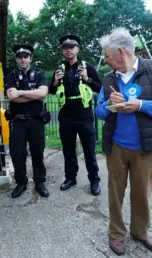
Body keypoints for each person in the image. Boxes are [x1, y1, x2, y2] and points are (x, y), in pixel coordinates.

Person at [95, 28, 152, 255]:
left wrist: (142, 105)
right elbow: (99, 111)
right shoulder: (108, 78)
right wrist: (108, 105)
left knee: (142, 194)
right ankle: (116, 234)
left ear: (121, 52)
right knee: (115, 194)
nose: (105, 60)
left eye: (107, 55)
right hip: (116, 147)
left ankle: (140, 232)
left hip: (145, 149)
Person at [48, 34, 102, 196]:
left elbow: (100, 88)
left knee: (89, 151)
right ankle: (71, 178)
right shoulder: (59, 69)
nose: (68, 50)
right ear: (62, 51)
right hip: (66, 116)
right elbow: (51, 90)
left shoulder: (88, 67)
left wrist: (87, 78)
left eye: (71, 47)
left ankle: (94, 181)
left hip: (84, 115)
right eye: (65, 48)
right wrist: (56, 82)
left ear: (77, 49)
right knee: (68, 150)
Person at [4, 44, 50, 198]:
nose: (23, 59)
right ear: (16, 59)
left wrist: (20, 93)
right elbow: (12, 97)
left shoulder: (39, 75)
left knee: (38, 152)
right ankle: (21, 182)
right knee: (17, 154)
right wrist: (32, 94)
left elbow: (43, 94)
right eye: (20, 57)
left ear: (31, 58)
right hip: (17, 122)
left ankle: (39, 182)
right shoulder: (10, 76)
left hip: (36, 121)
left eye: (26, 56)